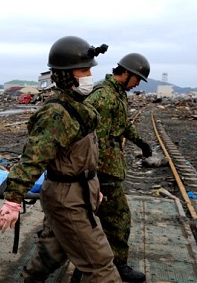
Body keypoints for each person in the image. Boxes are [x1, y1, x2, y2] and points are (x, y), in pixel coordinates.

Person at [0, 36, 121, 282]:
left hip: (77, 191)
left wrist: (91, 182)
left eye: (89, 70)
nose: (89, 76)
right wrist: (13, 200)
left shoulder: (77, 105)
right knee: (100, 264)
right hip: (69, 197)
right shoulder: (57, 113)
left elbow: (82, 154)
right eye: (83, 70)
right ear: (65, 75)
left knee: (52, 250)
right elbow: (32, 158)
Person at [78, 53, 152, 282]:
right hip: (103, 170)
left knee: (96, 219)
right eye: (137, 78)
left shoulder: (117, 95)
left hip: (110, 167)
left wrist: (140, 141)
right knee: (118, 218)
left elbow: (123, 125)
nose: (138, 83)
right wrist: (93, 175)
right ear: (126, 73)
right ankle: (117, 265)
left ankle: (92, 263)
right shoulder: (103, 96)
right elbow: (91, 139)